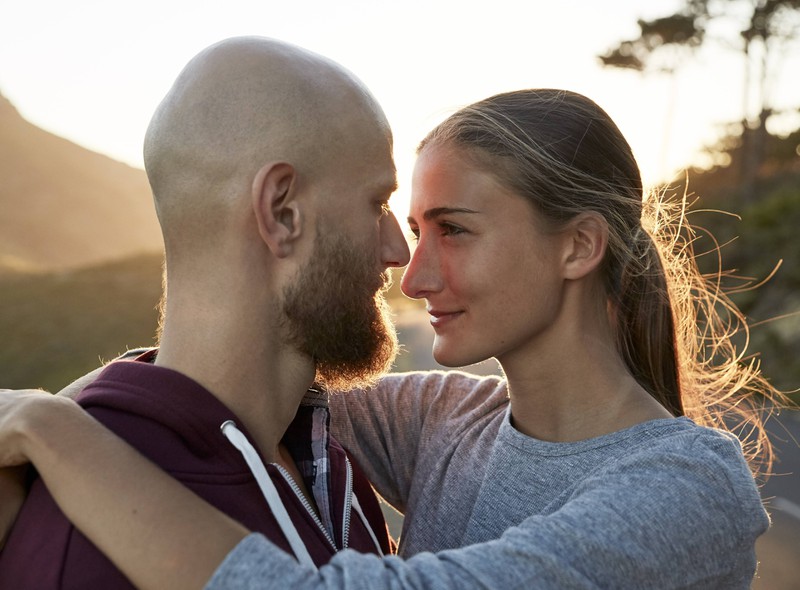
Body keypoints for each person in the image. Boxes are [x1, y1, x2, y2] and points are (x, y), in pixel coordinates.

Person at [0, 88, 782, 589]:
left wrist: (51, 428)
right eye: (412, 227)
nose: (413, 274)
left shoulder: (685, 488)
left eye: (456, 231)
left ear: (578, 246)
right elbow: (209, 390)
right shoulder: (444, 422)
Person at [0, 36, 409, 587]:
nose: (398, 250)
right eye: (376, 204)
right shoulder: (90, 544)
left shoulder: (334, 474)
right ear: (282, 212)